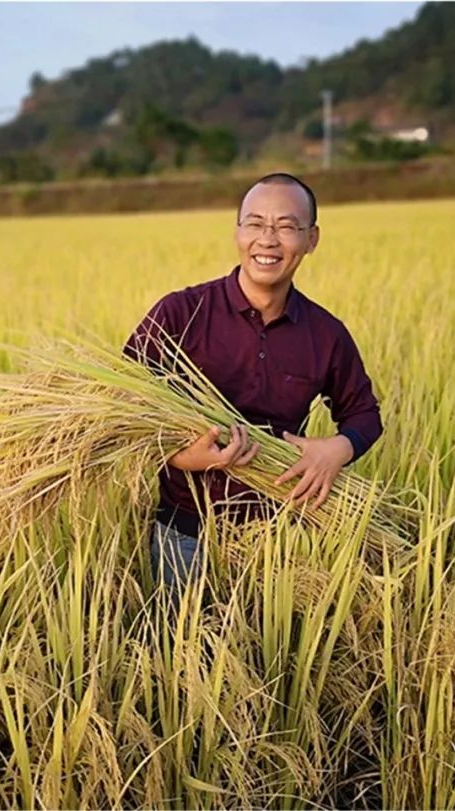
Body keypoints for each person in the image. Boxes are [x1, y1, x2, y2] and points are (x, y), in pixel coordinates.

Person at [123, 172, 383, 594]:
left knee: (272, 651)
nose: (268, 239)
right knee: (182, 651)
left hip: (281, 533)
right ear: (238, 232)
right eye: (256, 224)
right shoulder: (179, 313)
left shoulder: (326, 334)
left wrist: (338, 448)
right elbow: (123, 405)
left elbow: (364, 414)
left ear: (312, 238)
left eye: (286, 226)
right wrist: (181, 457)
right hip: (186, 534)